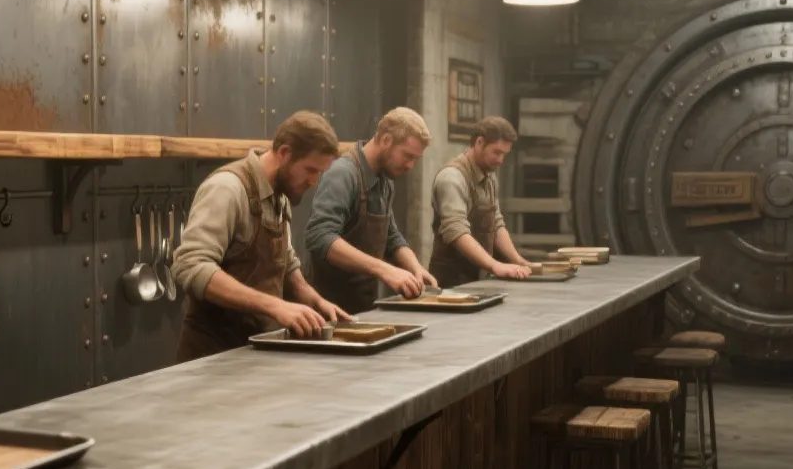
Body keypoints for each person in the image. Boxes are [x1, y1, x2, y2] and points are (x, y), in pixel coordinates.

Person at [172, 111, 353, 362]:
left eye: (320, 173)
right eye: (310, 170)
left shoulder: (280, 194)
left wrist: (315, 302)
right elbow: (191, 266)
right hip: (213, 356)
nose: (314, 182)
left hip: (255, 350)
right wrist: (274, 305)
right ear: (285, 153)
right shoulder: (228, 189)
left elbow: (286, 263)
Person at [306, 107, 438, 313]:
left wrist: (415, 268)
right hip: (327, 308)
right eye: (407, 156)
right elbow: (320, 237)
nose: (411, 166)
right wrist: (384, 269)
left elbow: (391, 237)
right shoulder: (342, 173)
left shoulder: (385, 180)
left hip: (363, 305)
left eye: (416, 159)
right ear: (386, 140)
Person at [430, 115, 538, 286]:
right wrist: (496, 266)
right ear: (479, 143)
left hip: (477, 278)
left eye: (504, 154)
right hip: (451, 282)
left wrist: (519, 261)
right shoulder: (452, 177)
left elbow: (496, 223)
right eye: (497, 152)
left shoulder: (489, 177)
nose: (501, 160)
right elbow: (457, 232)